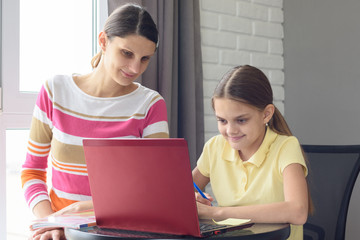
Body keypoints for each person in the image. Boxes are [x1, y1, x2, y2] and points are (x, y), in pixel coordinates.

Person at [21, 3, 169, 240]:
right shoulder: (54, 91)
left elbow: (155, 191)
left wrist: (84, 210)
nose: (135, 68)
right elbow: (32, 171)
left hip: (121, 233)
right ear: (103, 41)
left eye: (145, 59)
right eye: (127, 53)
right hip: (61, 233)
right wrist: (52, 224)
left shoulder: (150, 105)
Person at [192, 65, 312, 240]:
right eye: (222, 120)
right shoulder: (214, 147)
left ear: (266, 114)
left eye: (241, 120)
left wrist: (216, 212)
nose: (230, 130)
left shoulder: (286, 146)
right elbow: (179, 192)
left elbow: (298, 211)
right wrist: (192, 199)